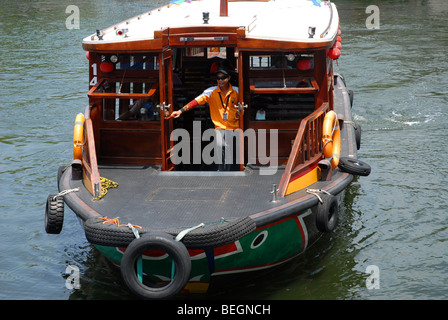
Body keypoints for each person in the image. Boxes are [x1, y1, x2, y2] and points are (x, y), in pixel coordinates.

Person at [169, 68, 240, 171]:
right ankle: (221, 172)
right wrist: (180, 111)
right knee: (221, 149)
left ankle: (232, 173)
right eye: (218, 78)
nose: (220, 80)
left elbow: (244, 104)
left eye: (223, 78)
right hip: (220, 127)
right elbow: (195, 102)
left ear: (229, 78)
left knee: (233, 154)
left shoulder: (237, 91)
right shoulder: (210, 92)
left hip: (235, 127)